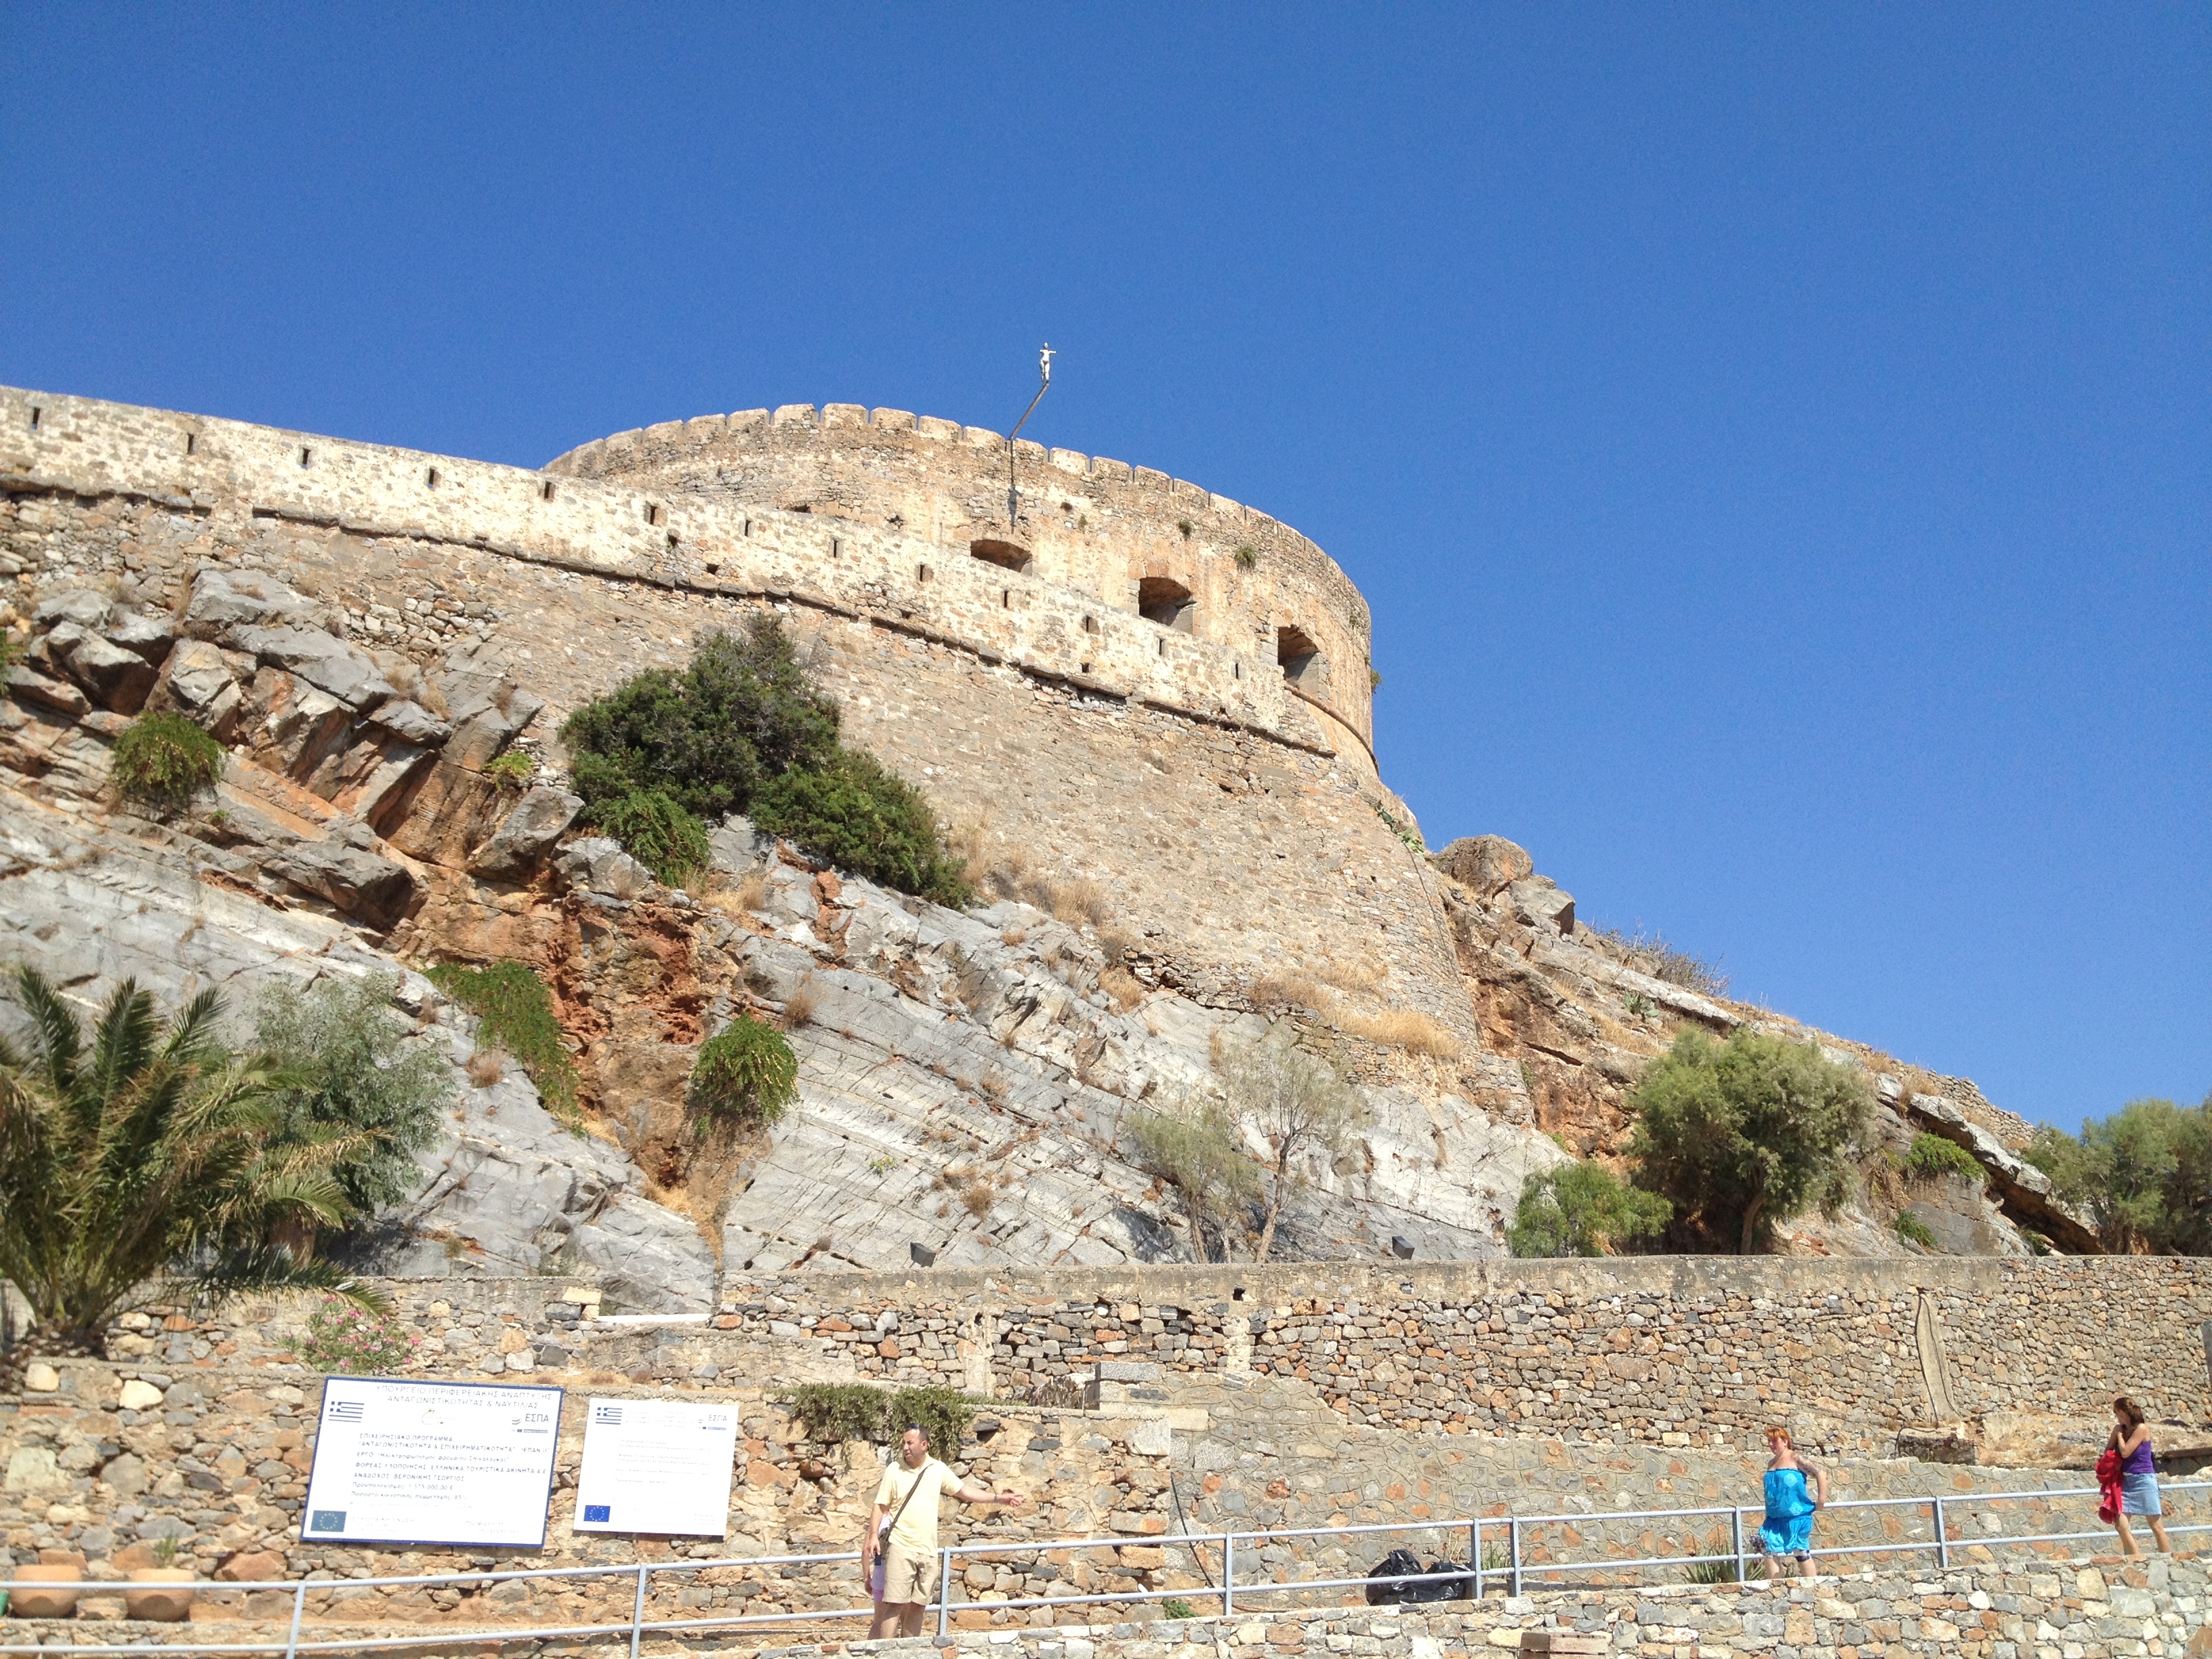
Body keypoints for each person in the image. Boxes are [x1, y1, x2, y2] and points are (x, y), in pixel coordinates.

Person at [861, 1422, 1026, 1639]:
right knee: (894, 1605)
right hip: (901, 1546)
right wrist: (873, 1535)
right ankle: (885, 1653)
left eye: (910, 1443)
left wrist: (998, 1498)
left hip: (928, 1550)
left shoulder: (937, 1469)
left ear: (924, 1444)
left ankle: (909, 1653)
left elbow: (964, 1491)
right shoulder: (895, 1470)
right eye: (903, 1443)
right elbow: (880, 1505)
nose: (905, 1447)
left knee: (918, 1607)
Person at [1757, 1425, 1827, 1578]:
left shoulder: (1796, 1458)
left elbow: (1820, 1473)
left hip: (1797, 1516)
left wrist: (1821, 1501)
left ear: (1785, 1441)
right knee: (1768, 1549)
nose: (1771, 1444)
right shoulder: (1771, 1463)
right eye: (1769, 1441)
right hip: (1774, 1519)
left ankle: (1812, 1587)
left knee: (1800, 1551)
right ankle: (1776, 1588)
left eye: (1775, 1441)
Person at [2108, 1396, 2171, 1556]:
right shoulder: (2121, 1429)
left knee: (2155, 1525)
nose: (2115, 1415)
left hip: (2144, 1480)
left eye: (2116, 1412)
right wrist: (2115, 1434)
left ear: (2122, 1412)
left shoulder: (2141, 1429)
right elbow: (2108, 1453)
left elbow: (2126, 1452)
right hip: (2126, 1481)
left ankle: (2168, 1560)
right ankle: (2137, 1559)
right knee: (2121, 1526)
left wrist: (2121, 1437)